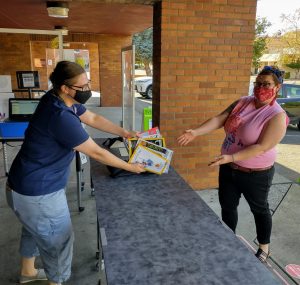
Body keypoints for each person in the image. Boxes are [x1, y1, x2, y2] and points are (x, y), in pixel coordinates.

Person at [6, 60, 145, 285]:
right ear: (65, 87)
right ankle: (56, 281)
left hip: (22, 188)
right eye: (83, 86)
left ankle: (28, 273)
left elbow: (92, 118)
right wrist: (131, 167)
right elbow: (96, 152)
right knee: (59, 241)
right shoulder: (60, 116)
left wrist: (125, 132)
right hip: (39, 193)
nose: (88, 89)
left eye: (88, 83)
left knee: (34, 229)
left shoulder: (56, 99)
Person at [177, 66, 288, 263]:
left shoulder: (277, 116)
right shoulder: (243, 102)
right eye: (258, 83)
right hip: (229, 169)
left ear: (277, 87)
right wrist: (195, 132)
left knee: (260, 209)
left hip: (256, 174)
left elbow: (261, 147)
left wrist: (231, 157)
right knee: (228, 206)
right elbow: (220, 119)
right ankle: (228, 239)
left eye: (267, 84)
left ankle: (264, 248)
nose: (261, 88)